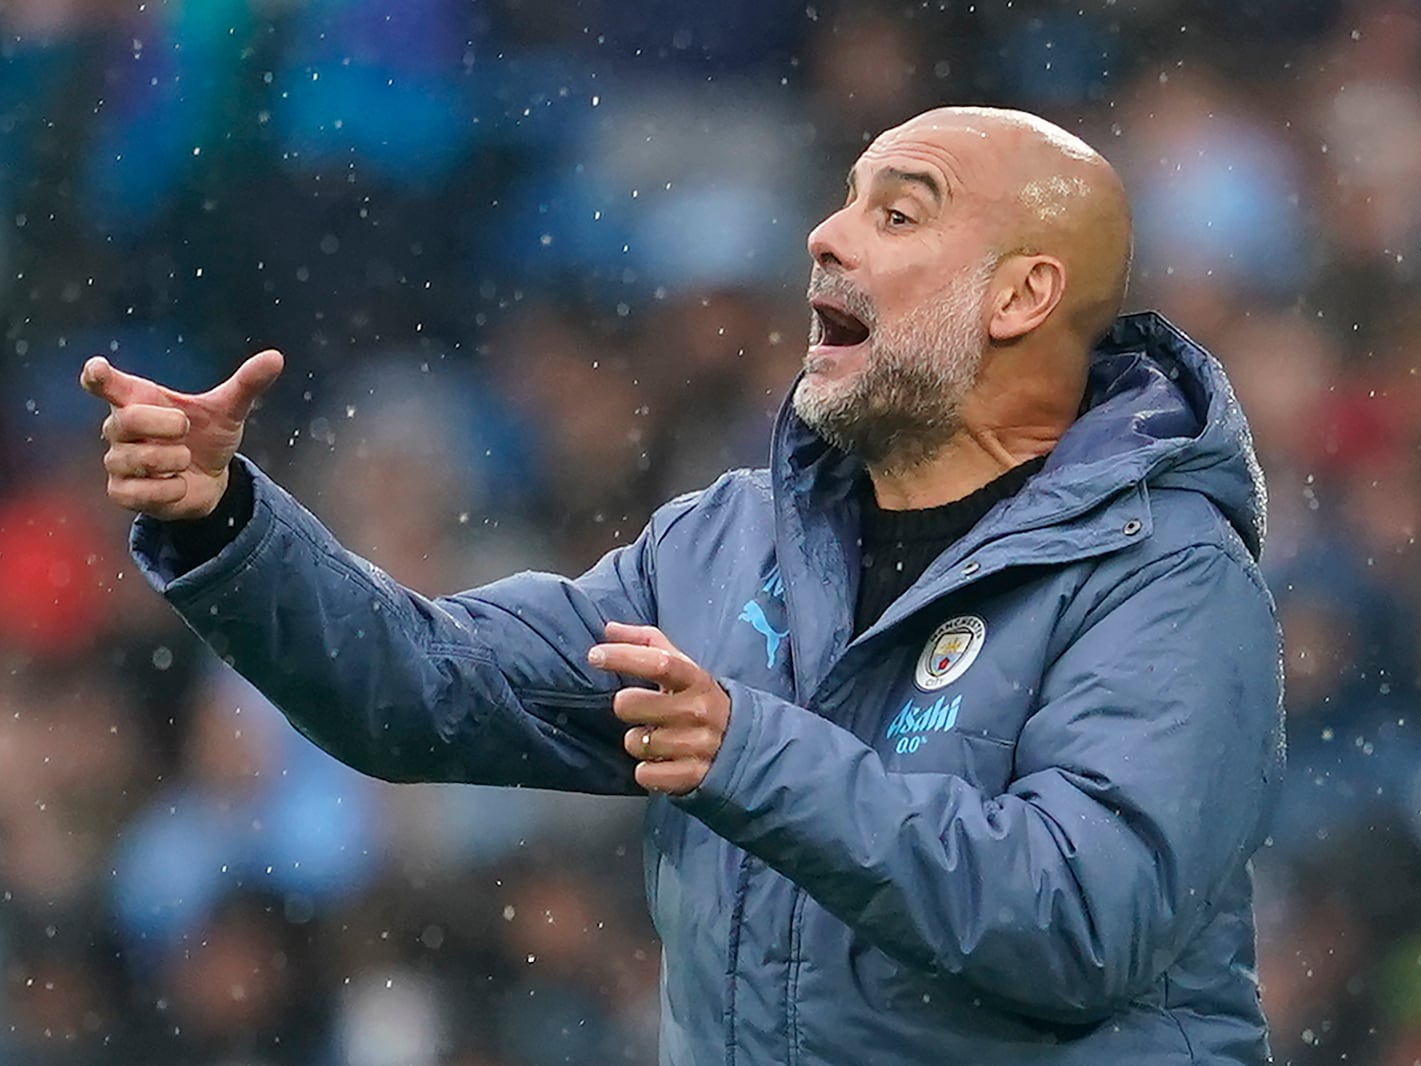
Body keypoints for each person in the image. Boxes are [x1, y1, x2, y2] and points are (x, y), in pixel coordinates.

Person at [82, 106, 1285, 1065]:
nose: (825, 234)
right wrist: (227, 518)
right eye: (842, 196)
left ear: (1021, 296)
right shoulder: (720, 547)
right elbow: (418, 684)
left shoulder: (1164, 573)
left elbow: (1080, 919)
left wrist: (745, 750)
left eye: (897, 212)